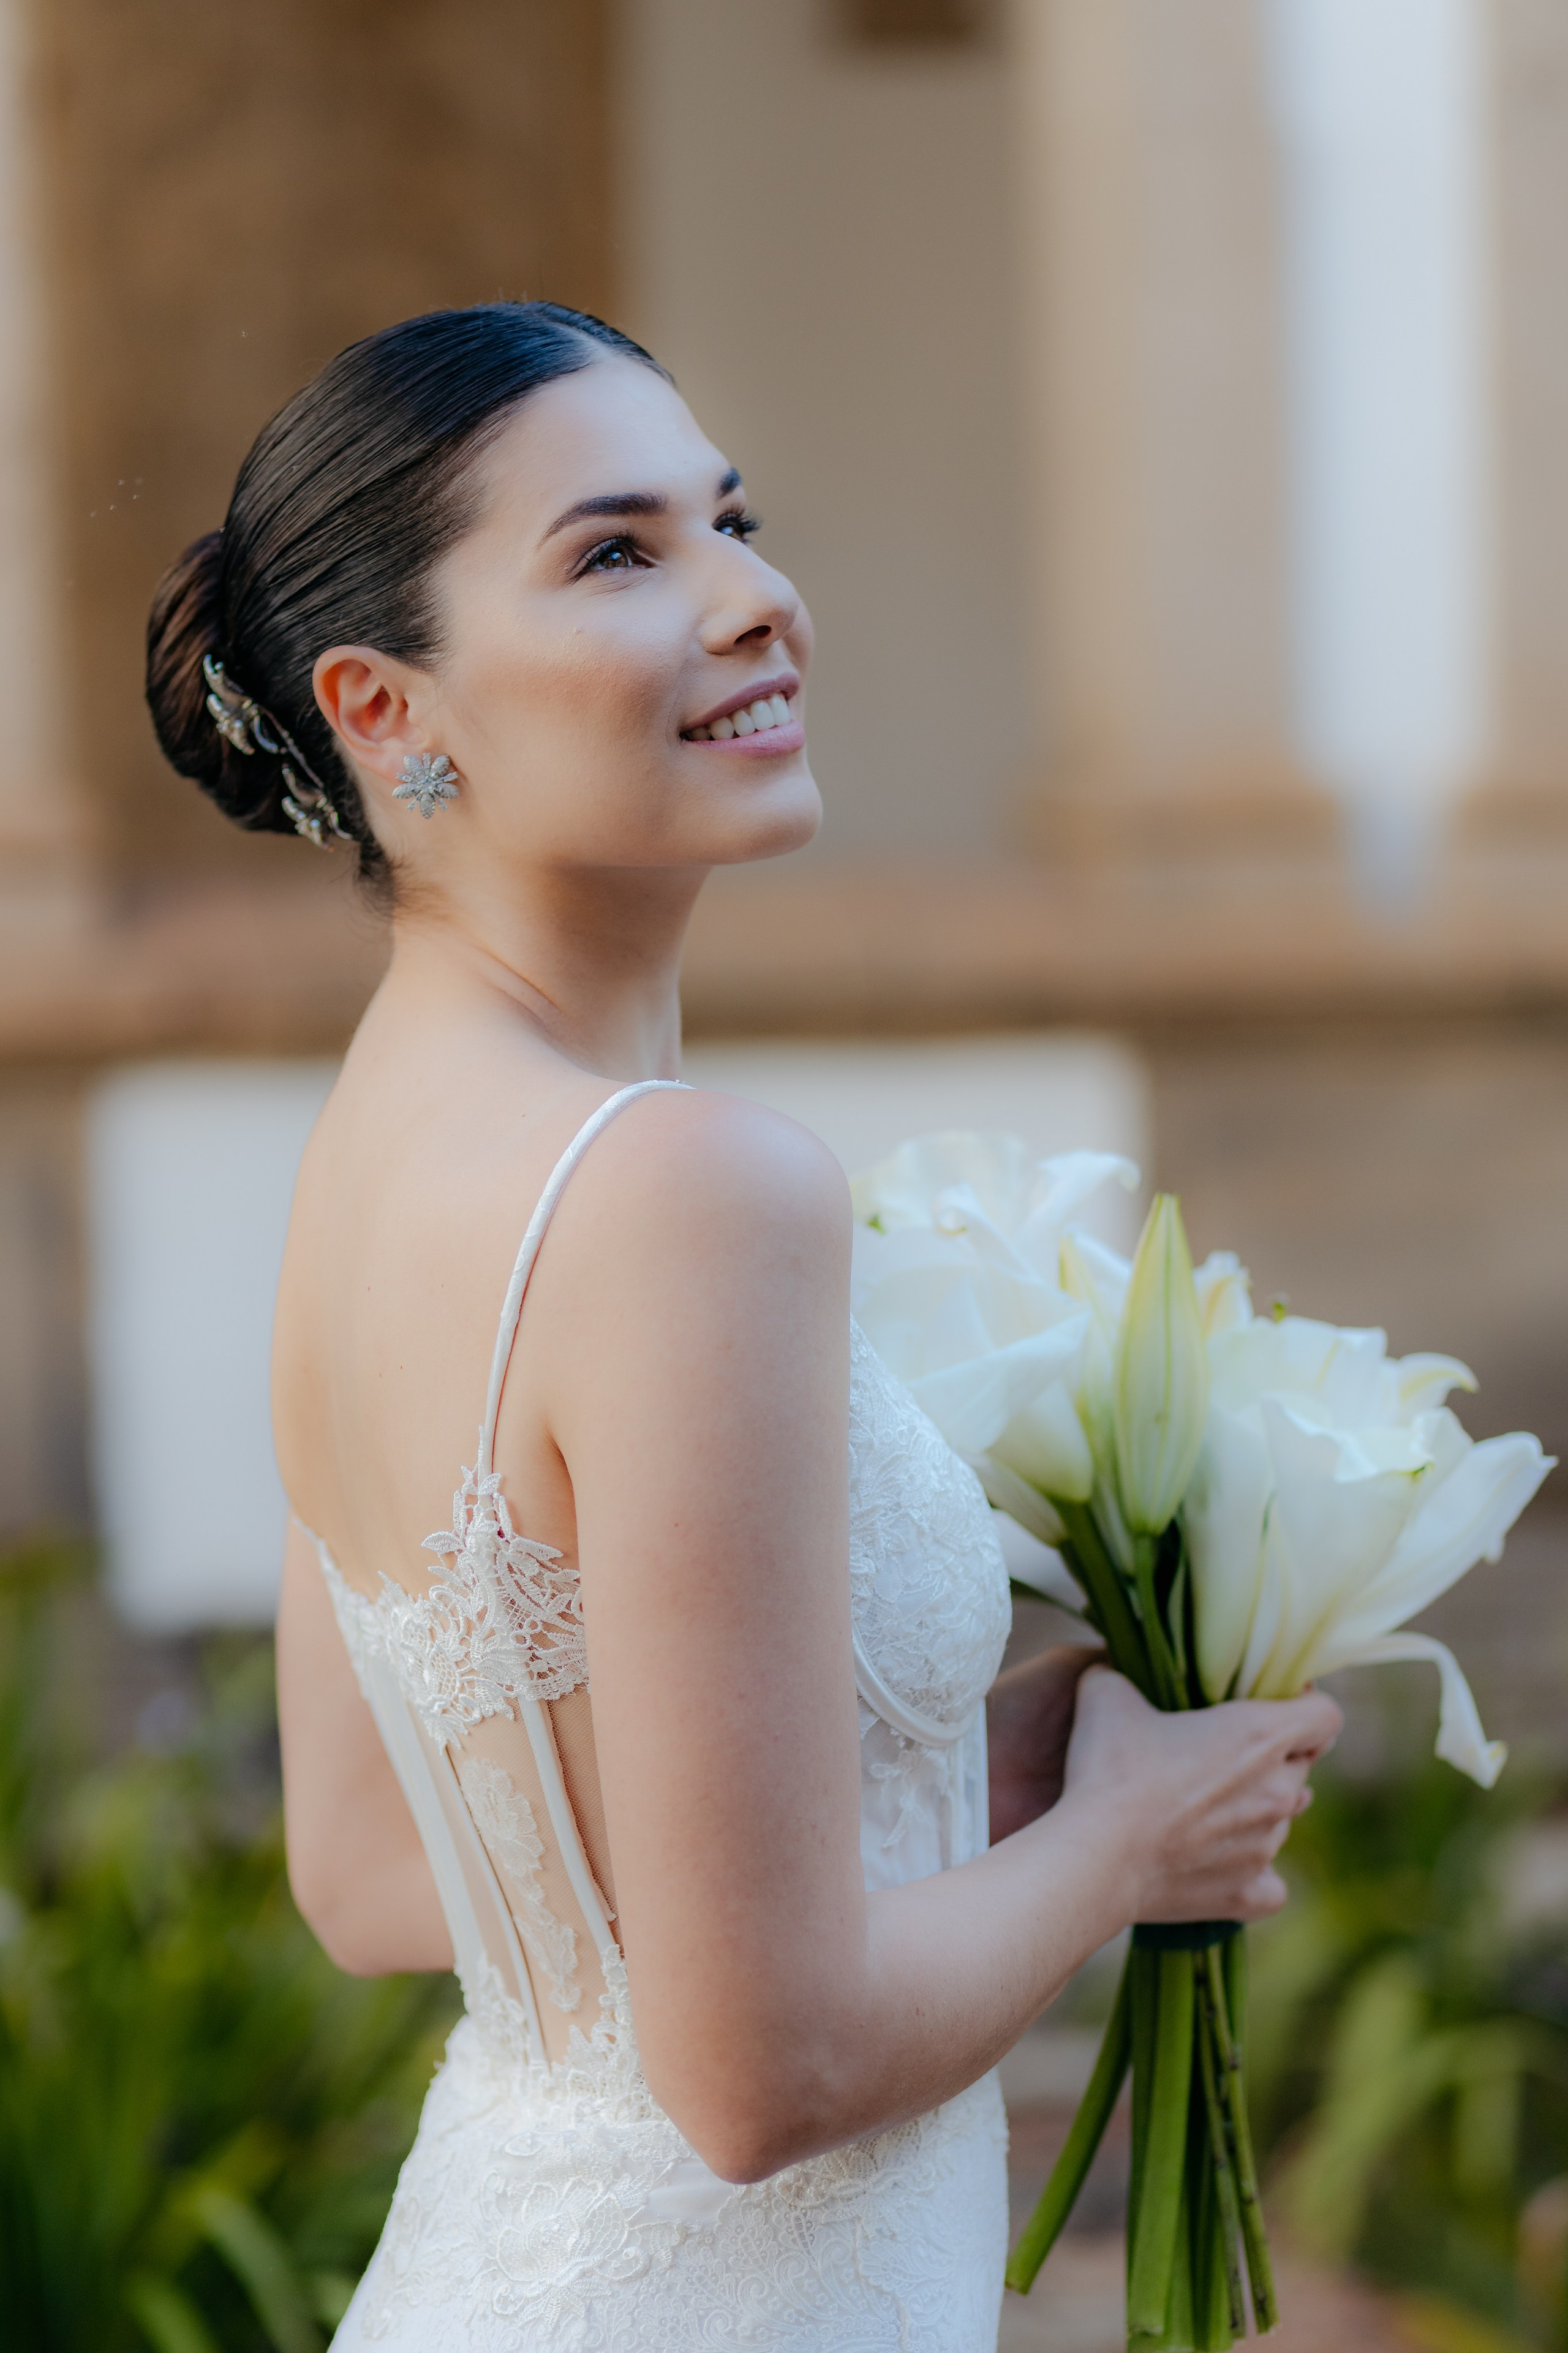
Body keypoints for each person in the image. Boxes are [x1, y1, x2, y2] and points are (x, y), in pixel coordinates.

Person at [145, 301, 1340, 2351]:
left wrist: (951, 1775)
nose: (756, 600)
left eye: (734, 522)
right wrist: (1136, 1837)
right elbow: (755, 2069)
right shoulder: (686, 1191)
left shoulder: (366, 1162)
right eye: (618, 555)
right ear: (381, 706)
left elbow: (375, 1865)